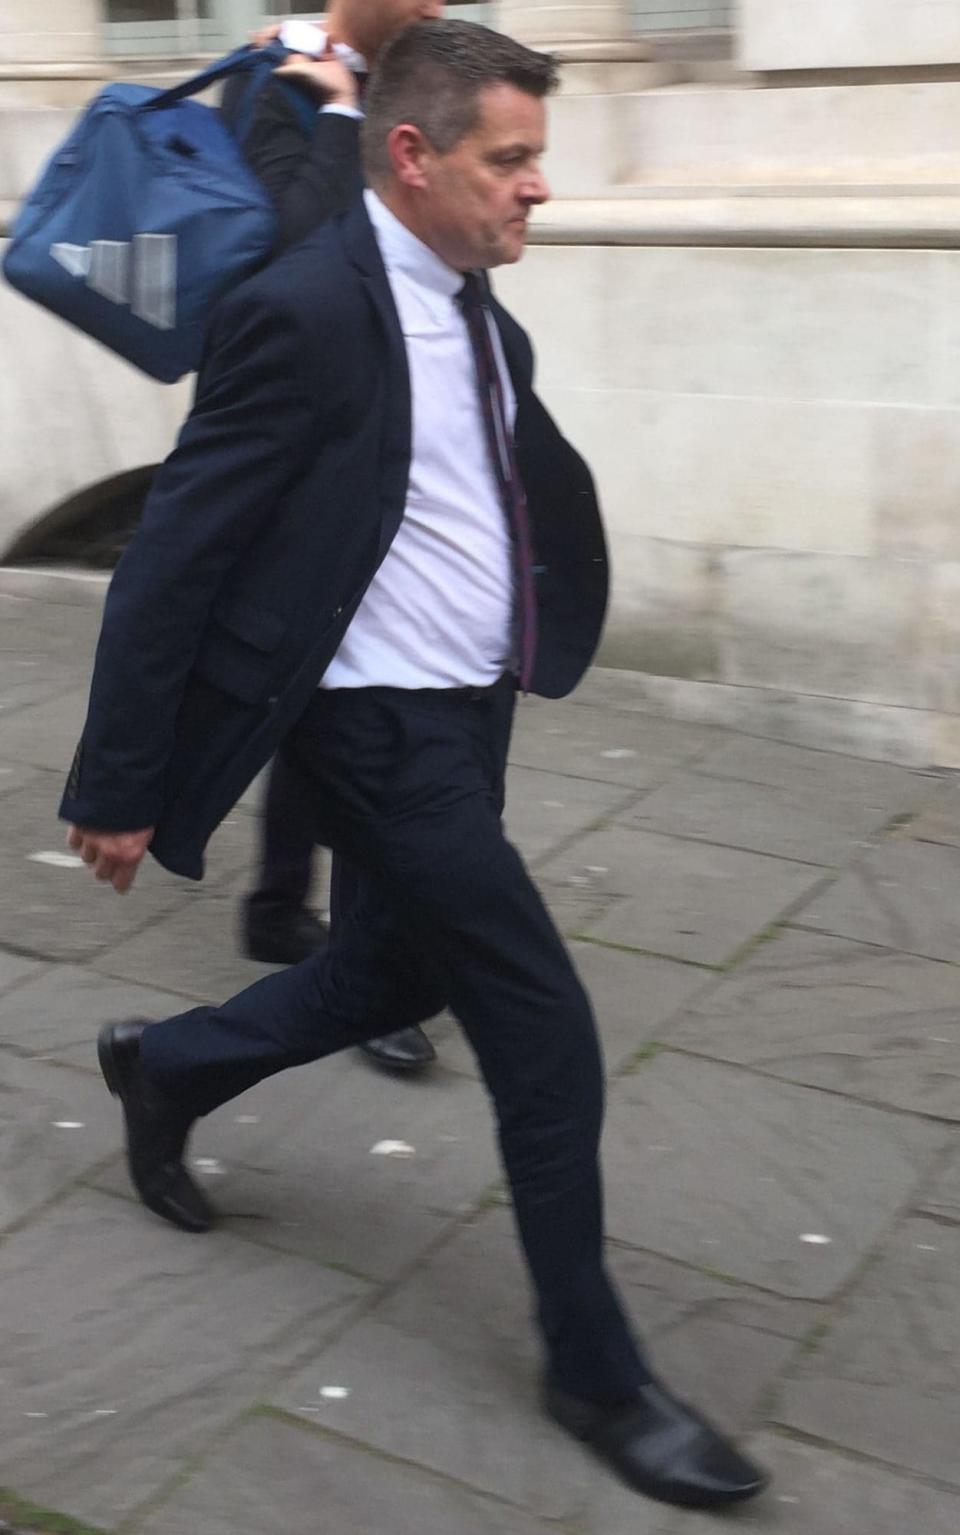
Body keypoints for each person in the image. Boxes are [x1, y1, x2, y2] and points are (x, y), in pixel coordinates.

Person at [61, 21, 766, 1511]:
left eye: (538, 159)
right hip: (370, 726)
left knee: (388, 976)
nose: (538, 191)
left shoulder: (477, 310)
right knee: (543, 1025)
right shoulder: (304, 308)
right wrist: (119, 777)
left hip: (464, 712)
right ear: (412, 154)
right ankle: (598, 1373)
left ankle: (166, 1065)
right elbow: (176, 547)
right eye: (510, 159)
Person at [234, 3, 443, 1075]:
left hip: (391, 427)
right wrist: (343, 110)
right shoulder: (280, 76)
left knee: (331, 687)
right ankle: (362, 972)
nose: (442, 8)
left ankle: (281, 908)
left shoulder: (413, 74)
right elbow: (288, 241)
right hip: (305, 443)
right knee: (359, 691)